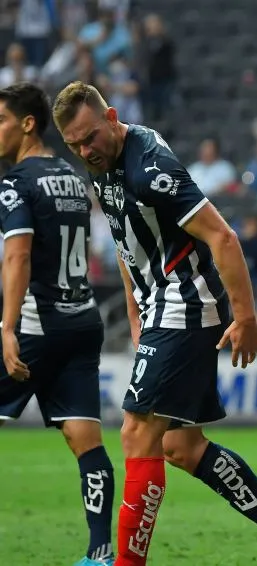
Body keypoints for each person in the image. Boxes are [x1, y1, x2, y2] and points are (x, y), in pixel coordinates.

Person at [51, 81, 257, 566]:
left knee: (135, 434)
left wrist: (247, 317)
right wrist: (135, 313)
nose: (85, 150)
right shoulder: (103, 166)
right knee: (181, 446)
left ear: (111, 117)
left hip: (186, 302)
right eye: (74, 145)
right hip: (159, 308)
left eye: (90, 137)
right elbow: (130, 247)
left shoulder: (152, 169)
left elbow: (223, 237)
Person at [0, 83, 115, 566]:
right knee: (84, 439)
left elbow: (19, 254)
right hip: (82, 320)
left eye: (0, 121)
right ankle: (101, 551)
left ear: (28, 123)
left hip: (36, 323)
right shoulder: (71, 175)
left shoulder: (16, 182)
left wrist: (6, 328)